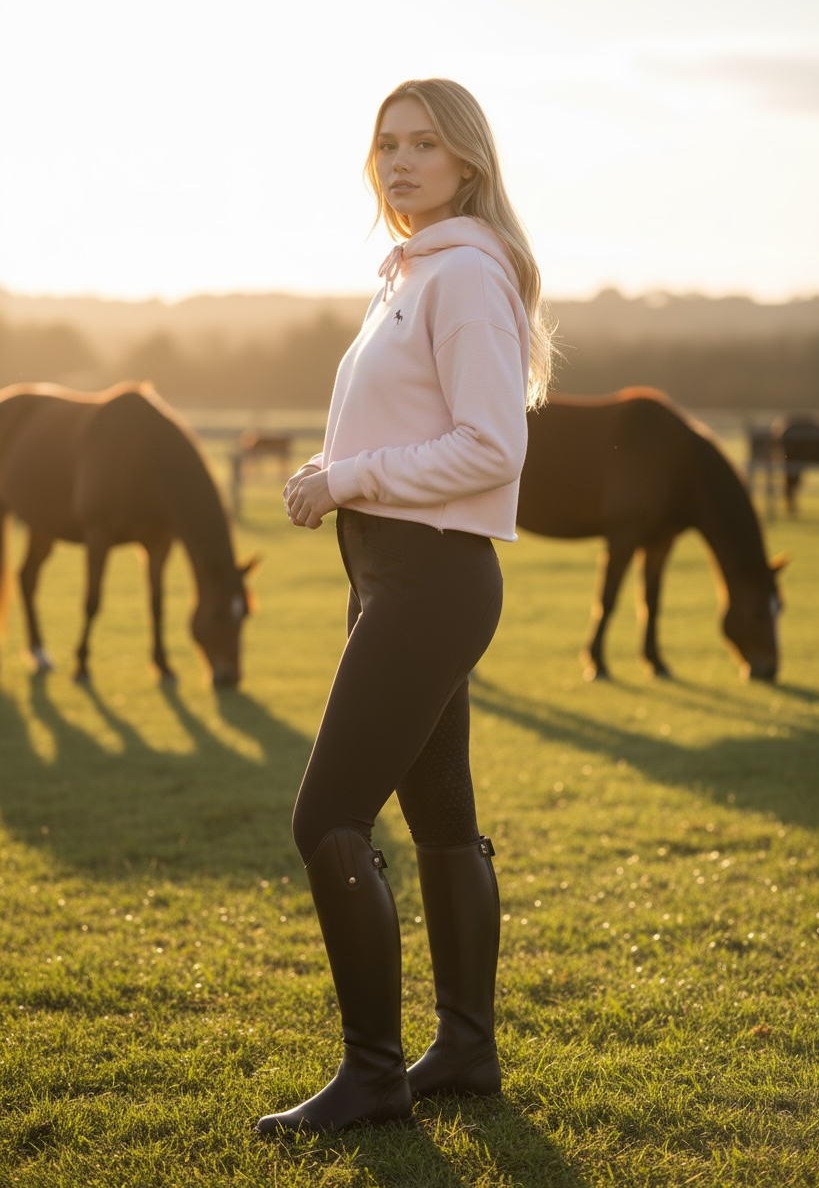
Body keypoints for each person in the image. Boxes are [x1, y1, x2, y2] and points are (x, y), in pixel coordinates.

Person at [256, 77, 553, 1136]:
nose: (399, 160)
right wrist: (342, 470)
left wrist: (346, 477)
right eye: (386, 143)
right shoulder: (413, 272)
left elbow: (490, 446)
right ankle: (465, 1051)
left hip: (428, 581)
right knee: (441, 818)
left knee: (325, 816)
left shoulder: (461, 274)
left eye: (425, 143)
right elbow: (412, 426)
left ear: (466, 161)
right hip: (393, 575)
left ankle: (375, 1074)